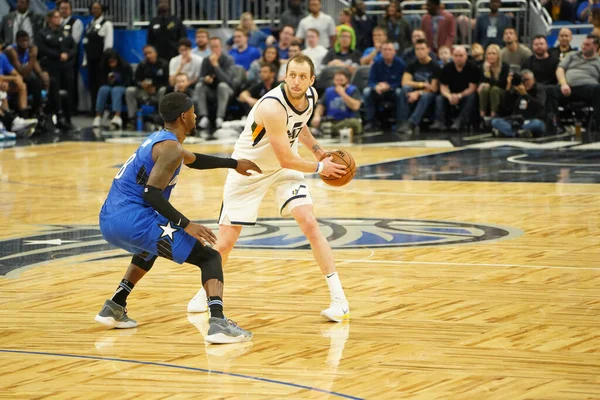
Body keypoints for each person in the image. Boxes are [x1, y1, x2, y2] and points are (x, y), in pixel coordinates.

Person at [186, 54, 350, 322]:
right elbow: (286, 157)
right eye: (291, 75)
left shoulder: (311, 97)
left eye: (302, 77)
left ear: (311, 80)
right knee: (225, 242)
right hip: (249, 170)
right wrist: (321, 168)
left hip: (285, 170)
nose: (296, 81)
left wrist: (318, 151)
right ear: (285, 76)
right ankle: (206, 291)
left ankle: (339, 299)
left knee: (309, 222)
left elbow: (301, 125)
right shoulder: (272, 107)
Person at [95, 92, 259, 343]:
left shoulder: (162, 141)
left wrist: (233, 163)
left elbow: (193, 160)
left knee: (148, 249)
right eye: (193, 112)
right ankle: (218, 323)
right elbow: (152, 194)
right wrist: (186, 224)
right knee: (210, 257)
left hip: (109, 219)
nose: (195, 116)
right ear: (184, 117)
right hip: (134, 218)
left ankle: (115, 305)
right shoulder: (171, 148)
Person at [36, 9, 78, 130]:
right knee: (53, 93)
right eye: (55, 17)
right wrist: (58, 55)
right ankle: (52, 119)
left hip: (65, 67)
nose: (58, 19)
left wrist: (67, 55)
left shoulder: (64, 33)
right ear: (49, 19)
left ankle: (68, 119)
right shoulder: (43, 33)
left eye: (59, 17)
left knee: (69, 93)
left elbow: (73, 47)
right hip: (50, 66)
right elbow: (42, 49)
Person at [399, 38, 440, 135]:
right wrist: (421, 84)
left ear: (427, 50)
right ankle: (403, 121)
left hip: (429, 94)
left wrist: (418, 93)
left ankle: (412, 123)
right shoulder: (412, 64)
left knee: (426, 96)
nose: (420, 52)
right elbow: (404, 82)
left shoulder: (435, 66)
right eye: (417, 49)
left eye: (422, 49)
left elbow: (433, 88)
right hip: (414, 91)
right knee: (405, 89)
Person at [432, 46, 478, 131]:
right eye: (456, 55)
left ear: (466, 56)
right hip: (451, 94)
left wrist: (459, 96)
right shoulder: (447, 68)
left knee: (472, 97)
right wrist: (449, 96)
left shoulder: (472, 67)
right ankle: (439, 122)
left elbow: (472, 88)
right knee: (439, 98)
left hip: (465, 94)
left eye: (461, 55)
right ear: (452, 56)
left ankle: (459, 122)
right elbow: (443, 87)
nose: (458, 58)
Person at [491, 69, 546, 137]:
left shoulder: (539, 89)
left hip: (531, 120)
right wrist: (508, 88)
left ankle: (509, 132)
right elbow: (504, 108)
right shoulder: (516, 90)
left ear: (533, 79)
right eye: (523, 80)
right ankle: (517, 133)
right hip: (516, 121)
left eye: (527, 79)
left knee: (537, 124)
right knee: (495, 121)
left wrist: (525, 95)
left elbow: (539, 107)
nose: (525, 82)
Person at [195, 37, 234, 130]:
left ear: (221, 47)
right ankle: (204, 117)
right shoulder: (205, 60)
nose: (214, 49)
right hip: (211, 90)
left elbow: (227, 80)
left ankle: (219, 118)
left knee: (222, 86)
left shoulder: (228, 59)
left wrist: (216, 65)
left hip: (226, 91)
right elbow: (200, 78)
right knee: (200, 86)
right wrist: (205, 79)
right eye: (212, 47)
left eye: (216, 47)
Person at [125, 45, 169, 128]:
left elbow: (167, 81)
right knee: (130, 90)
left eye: (150, 53)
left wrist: (156, 87)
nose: (148, 55)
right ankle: (132, 119)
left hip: (158, 91)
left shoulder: (164, 64)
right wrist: (141, 84)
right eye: (145, 54)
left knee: (163, 89)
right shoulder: (142, 65)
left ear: (155, 53)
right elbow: (135, 80)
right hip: (144, 91)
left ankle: (161, 119)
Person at [311, 68, 362, 136]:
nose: (338, 83)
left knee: (355, 123)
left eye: (341, 80)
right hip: (332, 121)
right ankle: (336, 130)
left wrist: (343, 94)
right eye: (336, 80)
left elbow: (356, 107)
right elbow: (320, 107)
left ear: (347, 80)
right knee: (313, 122)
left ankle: (327, 131)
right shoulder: (328, 91)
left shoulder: (353, 90)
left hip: (347, 120)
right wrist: (316, 116)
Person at [83, 2, 114, 111]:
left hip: (101, 60)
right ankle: (93, 108)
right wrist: (85, 60)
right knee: (92, 85)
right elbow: (86, 43)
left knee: (101, 85)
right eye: (93, 8)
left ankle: (101, 110)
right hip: (91, 60)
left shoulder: (107, 24)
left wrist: (105, 59)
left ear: (102, 10)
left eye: (97, 8)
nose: (95, 10)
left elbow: (108, 43)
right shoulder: (89, 25)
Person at [92, 50, 132, 129]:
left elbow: (129, 81)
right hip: (109, 86)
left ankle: (117, 116)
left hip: (122, 86)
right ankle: (98, 116)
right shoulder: (104, 68)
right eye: (110, 62)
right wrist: (109, 80)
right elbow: (100, 81)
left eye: (113, 61)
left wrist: (118, 79)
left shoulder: (125, 66)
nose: (112, 64)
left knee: (116, 90)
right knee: (103, 89)